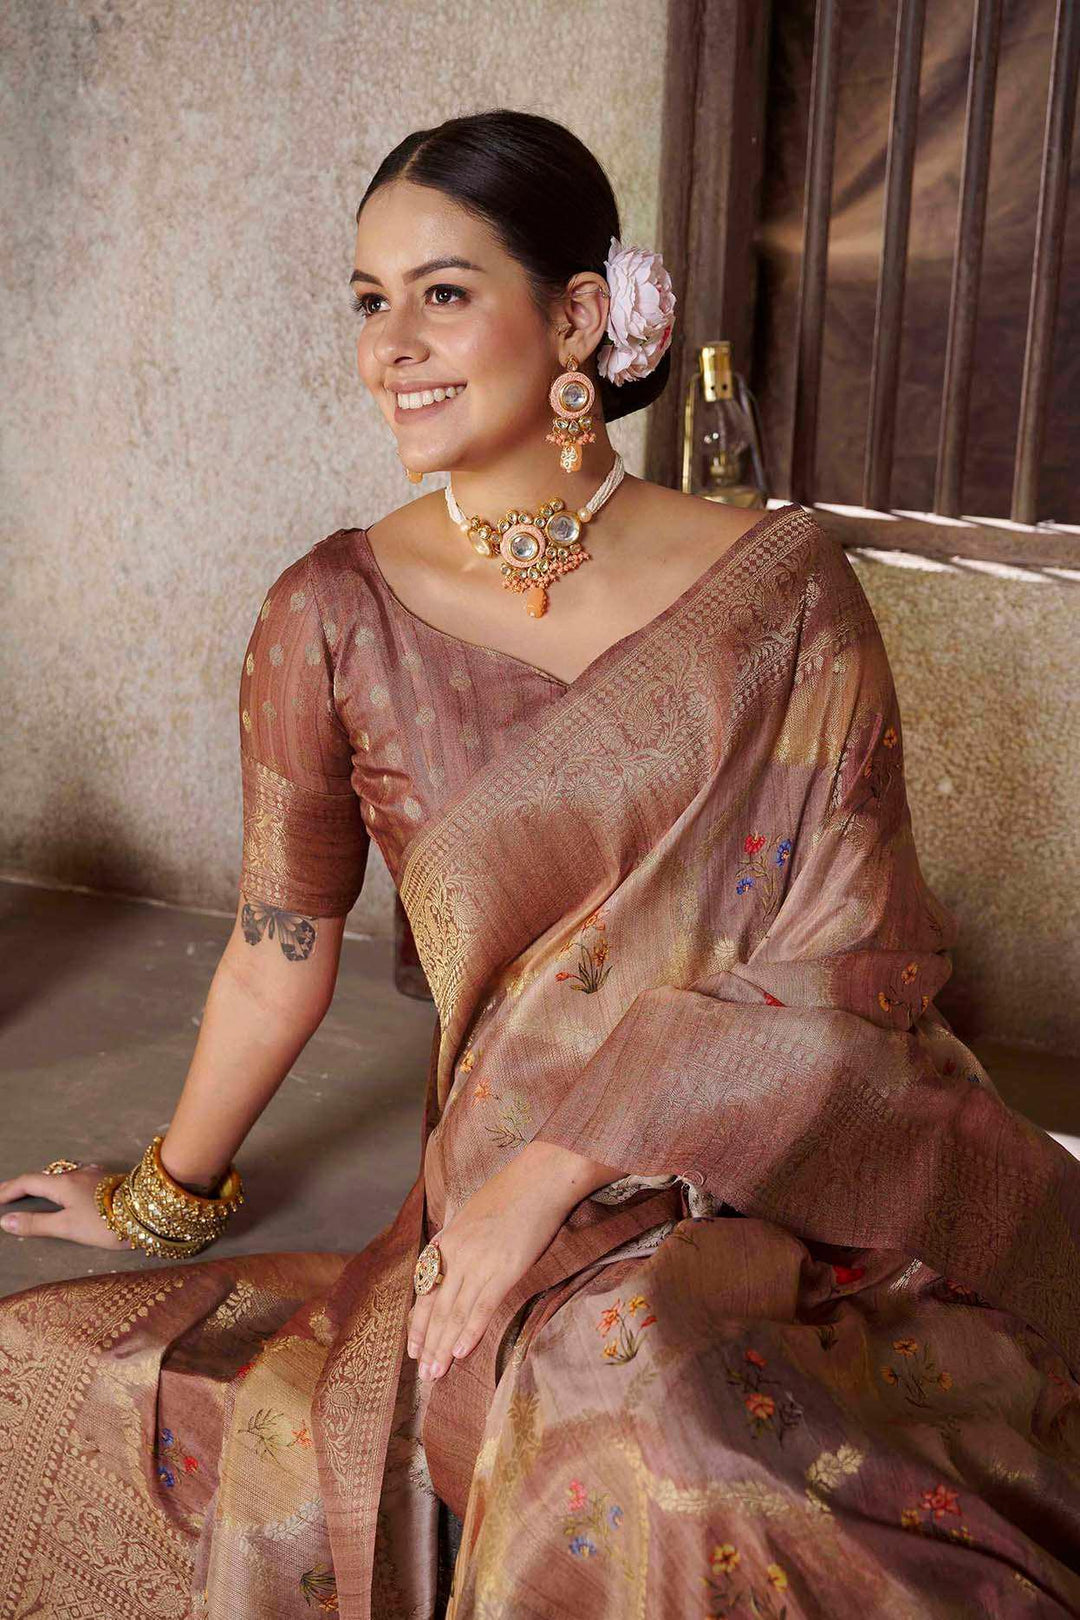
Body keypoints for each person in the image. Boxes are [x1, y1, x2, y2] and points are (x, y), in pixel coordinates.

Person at [1, 107, 1079, 1620]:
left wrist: (561, 1176)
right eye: (368, 301)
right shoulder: (331, 610)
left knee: (685, 1409)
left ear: (576, 314)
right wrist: (162, 1196)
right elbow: (277, 941)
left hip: (778, 1147)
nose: (392, 345)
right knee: (63, 1386)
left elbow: (859, 958)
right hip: (510, 1159)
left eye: (443, 293)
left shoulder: (779, 589)